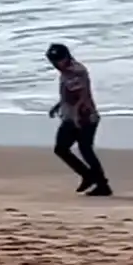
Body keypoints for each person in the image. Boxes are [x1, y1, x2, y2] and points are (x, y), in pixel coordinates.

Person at [45, 43, 112, 196]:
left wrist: (76, 117)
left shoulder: (75, 71)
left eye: (58, 60)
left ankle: (99, 183)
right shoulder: (67, 70)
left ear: (67, 56)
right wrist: (59, 105)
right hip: (73, 116)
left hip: (84, 117)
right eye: (53, 61)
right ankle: (91, 177)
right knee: (64, 149)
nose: (55, 64)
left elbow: (83, 96)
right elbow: (70, 94)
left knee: (83, 149)